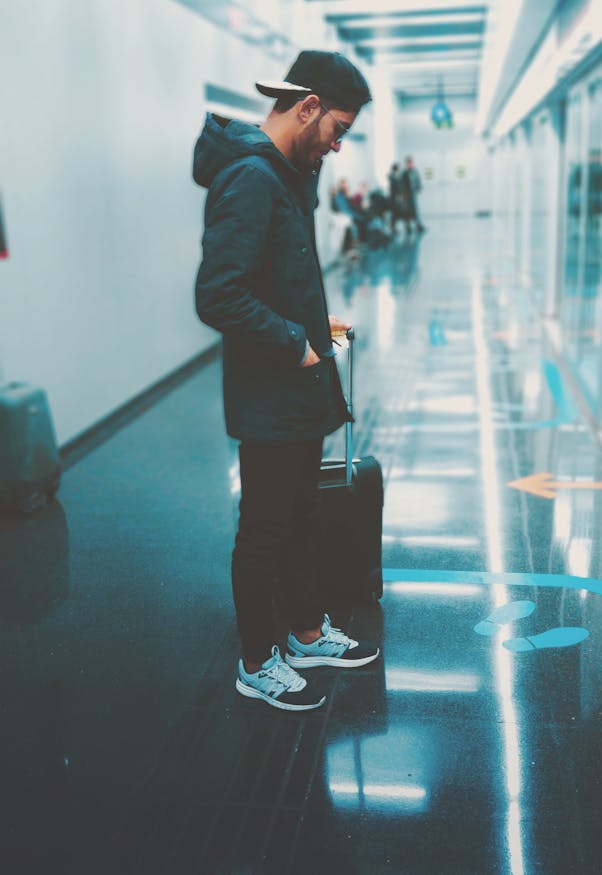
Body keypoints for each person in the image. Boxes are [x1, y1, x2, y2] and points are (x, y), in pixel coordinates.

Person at [193, 50, 380, 712]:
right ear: (307, 108)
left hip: (295, 391)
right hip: (271, 394)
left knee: (302, 515)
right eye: (338, 130)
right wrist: (292, 343)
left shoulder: (282, 174)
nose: (336, 146)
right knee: (266, 527)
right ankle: (254, 660)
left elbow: (272, 275)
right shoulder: (249, 179)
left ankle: (304, 633)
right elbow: (218, 294)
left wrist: (311, 322)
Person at [401, 156, 426, 234]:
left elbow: (418, 180)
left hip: (413, 193)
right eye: (409, 163)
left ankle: (418, 226)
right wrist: (402, 194)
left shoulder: (415, 171)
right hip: (406, 195)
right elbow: (401, 184)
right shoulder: (404, 173)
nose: (410, 164)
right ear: (406, 164)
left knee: (415, 210)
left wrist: (419, 188)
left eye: (411, 163)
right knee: (407, 211)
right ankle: (408, 227)